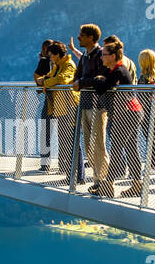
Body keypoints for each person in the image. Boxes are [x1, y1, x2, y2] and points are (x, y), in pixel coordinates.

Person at [79, 39, 138, 197]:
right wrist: (99, 80)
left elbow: (100, 88)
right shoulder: (111, 70)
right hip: (126, 112)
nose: (101, 57)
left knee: (117, 148)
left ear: (112, 56)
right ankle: (137, 184)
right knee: (130, 148)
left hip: (127, 113)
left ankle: (109, 185)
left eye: (104, 55)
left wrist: (99, 81)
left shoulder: (119, 71)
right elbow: (100, 84)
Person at [70, 24, 106, 187]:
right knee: (87, 145)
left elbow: (101, 78)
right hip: (84, 104)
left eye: (81, 35)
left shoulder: (101, 55)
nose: (78, 37)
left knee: (98, 144)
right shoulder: (85, 56)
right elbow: (77, 75)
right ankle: (98, 177)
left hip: (98, 104)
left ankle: (102, 180)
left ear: (91, 37)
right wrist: (77, 82)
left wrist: (81, 82)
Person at [42, 41, 78, 179]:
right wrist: (46, 81)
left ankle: (72, 174)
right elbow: (49, 77)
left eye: (51, 54)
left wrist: (46, 83)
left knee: (68, 139)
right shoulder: (57, 66)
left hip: (68, 105)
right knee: (62, 137)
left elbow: (63, 79)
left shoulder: (69, 65)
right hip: (59, 106)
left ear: (57, 54)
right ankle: (65, 169)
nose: (50, 57)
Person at [138, 49, 155, 171]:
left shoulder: (143, 78)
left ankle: (152, 164)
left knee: (149, 136)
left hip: (147, 110)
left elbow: (141, 96)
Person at [34, 40, 54, 162]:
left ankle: (45, 162)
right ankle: (65, 164)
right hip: (63, 101)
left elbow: (36, 77)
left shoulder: (44, 61)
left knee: (45, 131)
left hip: (50, 101)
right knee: (64, 133)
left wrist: (42, 83)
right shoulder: (58, 63)